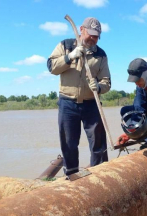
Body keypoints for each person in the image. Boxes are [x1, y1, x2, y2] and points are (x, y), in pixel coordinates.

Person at [47, 17, 111, 176]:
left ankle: (100, 175)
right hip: (68, 104)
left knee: (98, 143)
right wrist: (70, 57)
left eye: (97, 36)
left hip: (91, 104)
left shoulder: (101, 54)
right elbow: (52, 67)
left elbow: (107, 82)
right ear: (82, 29)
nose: (93, 39)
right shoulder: (66, 46)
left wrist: (99, 86)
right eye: (91, 34)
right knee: (69, 143)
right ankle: (71, 175)